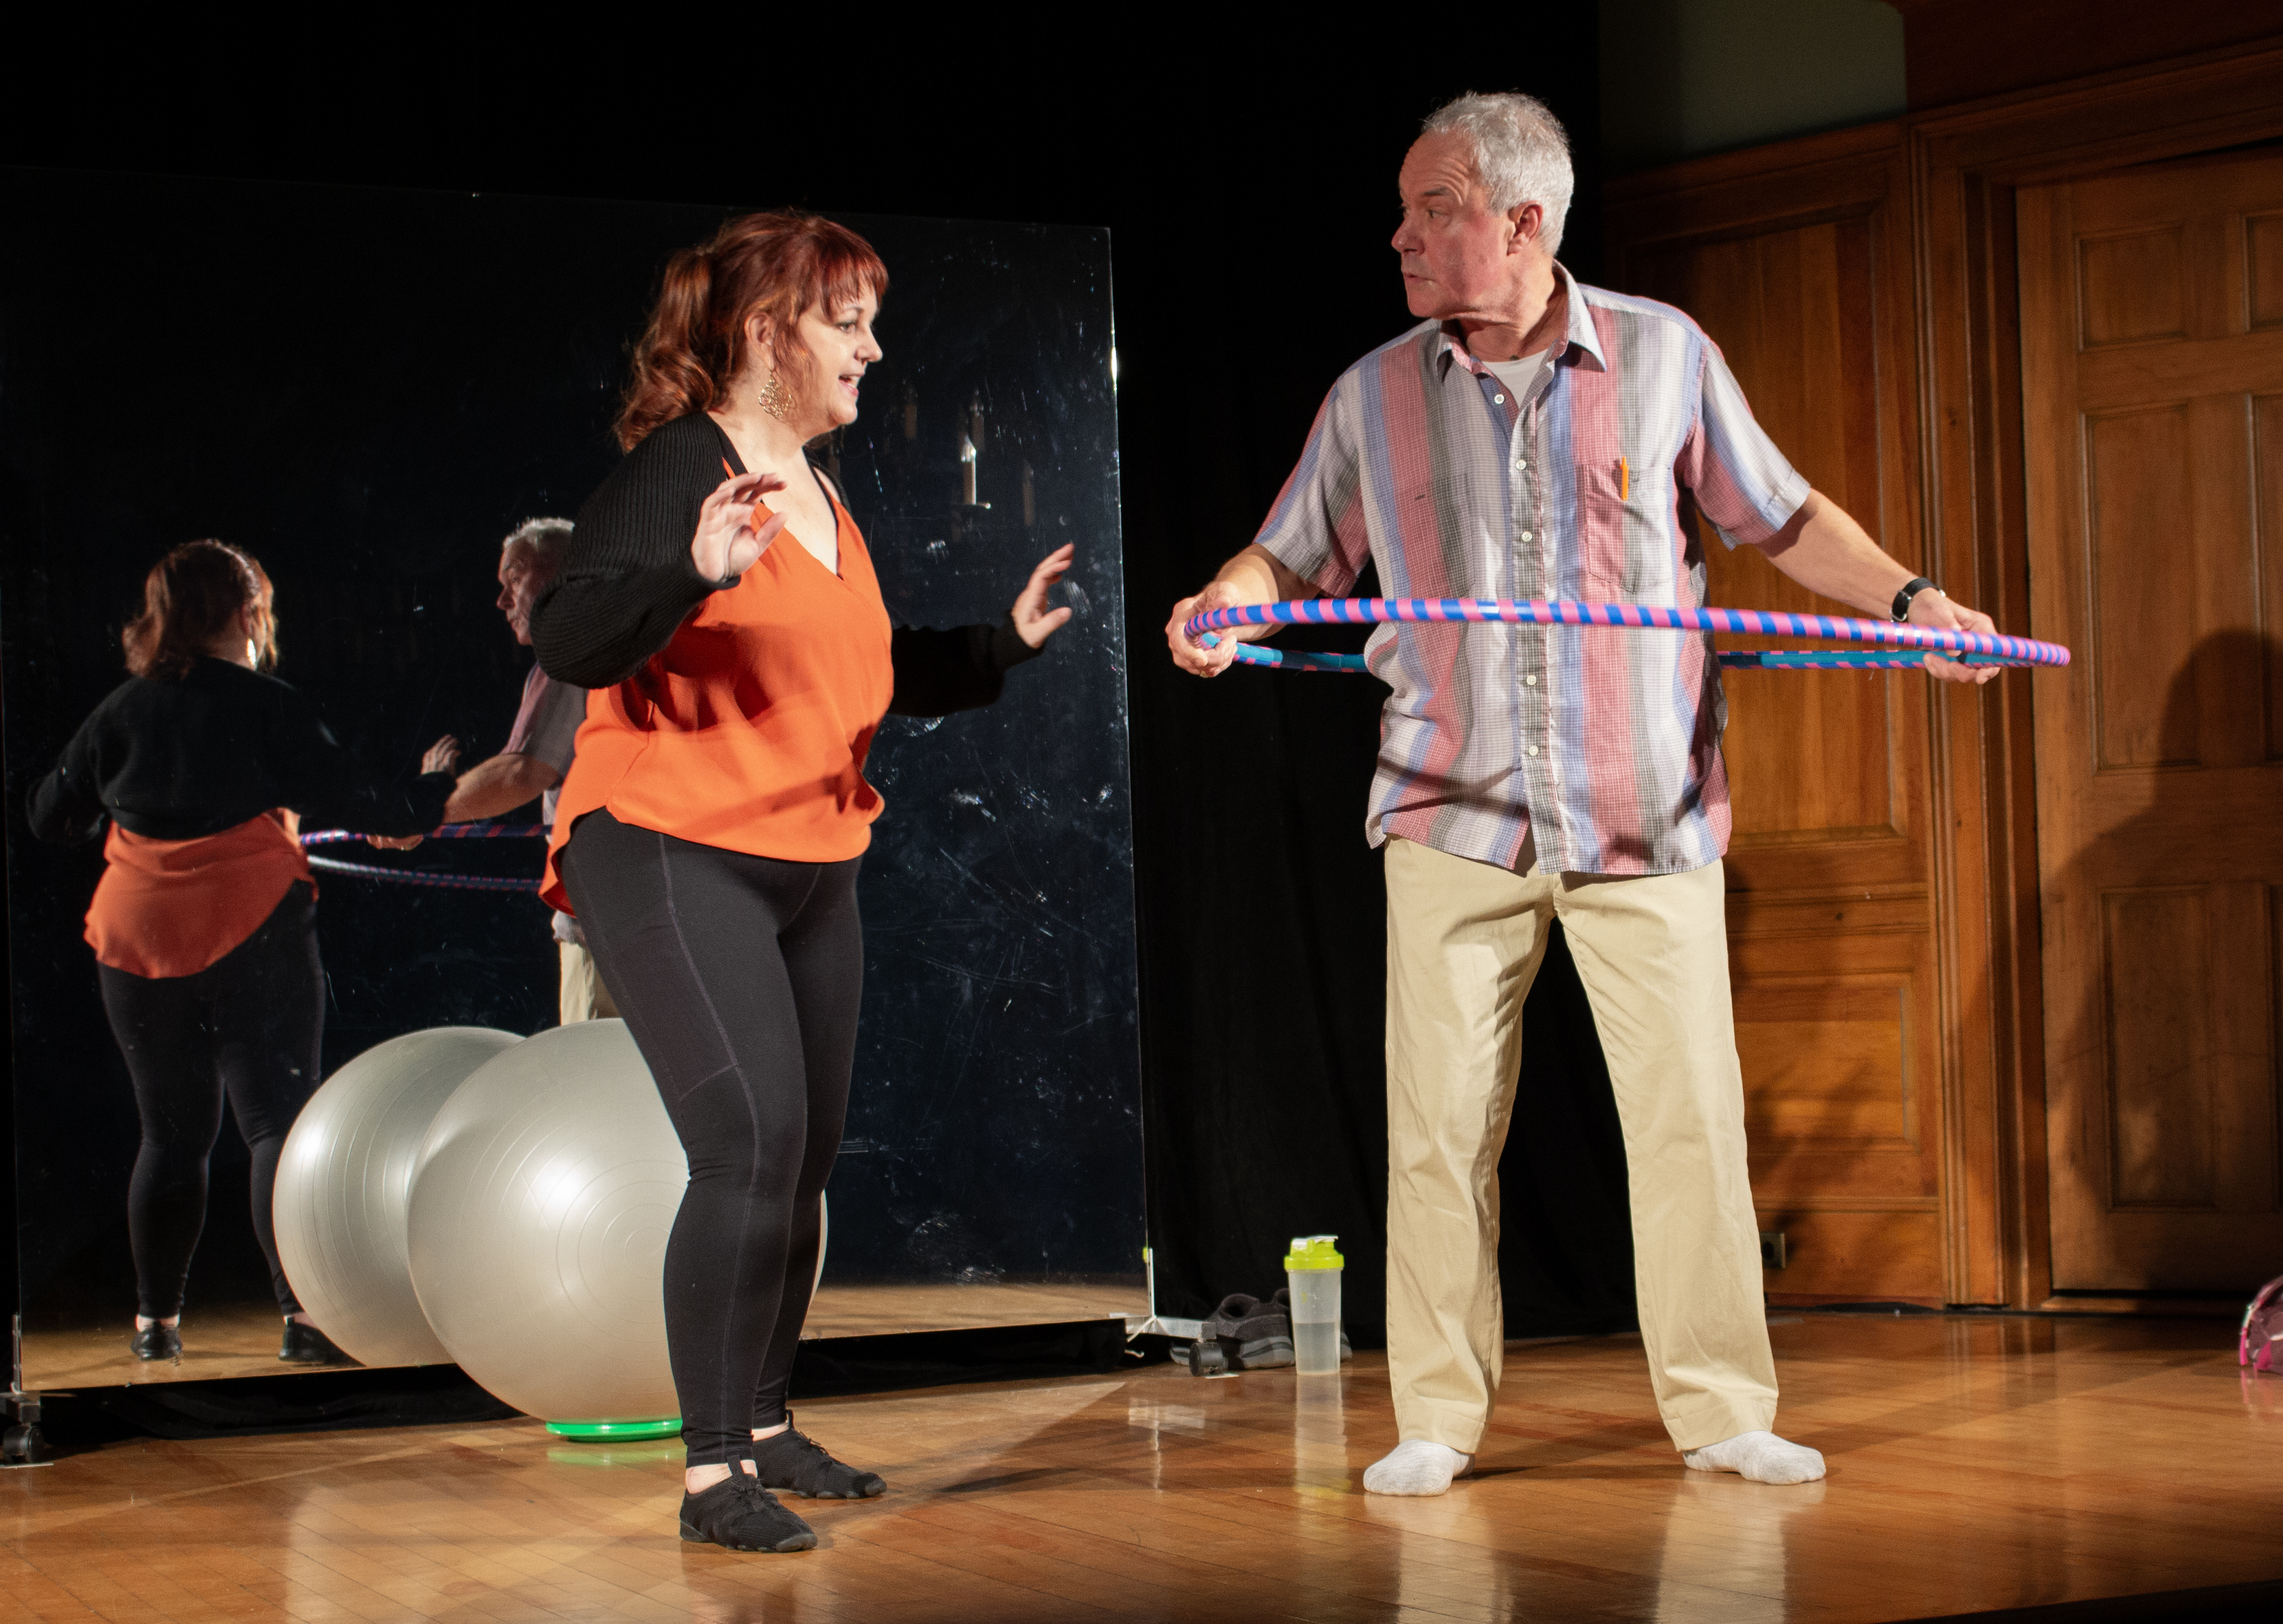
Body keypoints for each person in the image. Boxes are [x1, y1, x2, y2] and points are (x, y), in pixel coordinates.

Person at [1166, 92, 2003, 1498]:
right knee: (1435, 1132)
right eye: (1404, 211)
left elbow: (1779, 516)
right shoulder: (1370, 392)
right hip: (1449, 805)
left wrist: (1915, 602)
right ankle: (1434, 1413)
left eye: (1432, 211)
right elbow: (1289, 554)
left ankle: (1723, 1405)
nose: (1400, 238)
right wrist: (1226, 601)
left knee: (1687, 1119)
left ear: (1521, 221)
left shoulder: (1662, 357)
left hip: (1641, 809)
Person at [531, 210, 1073, 1554]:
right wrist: (683, 568)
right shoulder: (687, 467)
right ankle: (711, 1472)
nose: (873, 349)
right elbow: (569, 629)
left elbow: (857, 670)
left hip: (808, 851)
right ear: (767, 333)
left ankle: (765, 1422)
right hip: (665, 837)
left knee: (805, 1156)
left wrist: (994, 647)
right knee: (747, 1143)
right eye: (848, 321)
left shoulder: (821, 494)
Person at [27, 540, 459, 1365]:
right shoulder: (268, 705)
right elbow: (382, 808)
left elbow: (50, 815)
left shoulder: (119, 711)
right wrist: (434, 784)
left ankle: (156, 1325)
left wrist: (120, 807)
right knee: (275, 1127)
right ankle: (302, 1318)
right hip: (252, 927)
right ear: (248, 611)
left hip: (137, 935)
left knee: (169, 1136)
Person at [424, 517, 616, 1024]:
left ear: (565, 572)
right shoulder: (627, 636)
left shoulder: (573, 648)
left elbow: (523, 772)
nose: (502, 601)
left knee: (597, 1086)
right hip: (660, 910)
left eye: (515, 578)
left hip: (610, 922)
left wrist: (422, 808)